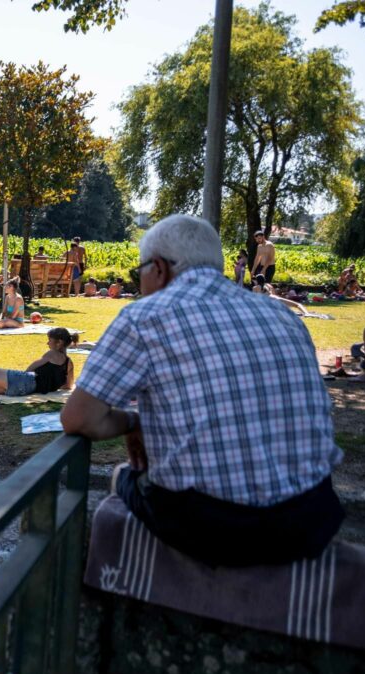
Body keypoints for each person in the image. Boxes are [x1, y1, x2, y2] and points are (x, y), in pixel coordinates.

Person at [61, 214, 344, 568]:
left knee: (124, 476)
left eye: (140, 273)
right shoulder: (283, 315)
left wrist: (134, 422)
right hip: (312, 517)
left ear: (159, 268)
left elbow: (77, 418)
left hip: (216, 528)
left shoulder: (144, 317)